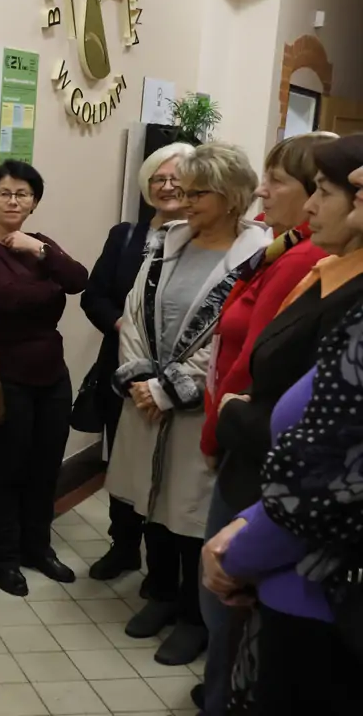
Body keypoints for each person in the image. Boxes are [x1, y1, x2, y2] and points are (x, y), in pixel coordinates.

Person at [202, 134, 363, 714]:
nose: (264, 193)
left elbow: (327, 473)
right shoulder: (317, 264)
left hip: (322, 583)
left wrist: (242, 549)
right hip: (278, 527)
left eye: (325, 190)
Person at [104, 143, 270, 665]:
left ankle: (193, 615)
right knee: (151, 502)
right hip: (145, 401)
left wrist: (167, 389)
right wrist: (139, 379)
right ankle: (158, 592)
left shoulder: (256, 256)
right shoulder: (166, 243)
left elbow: (233, 340)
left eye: (199, 193)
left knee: (190, 511)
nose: (184, 199)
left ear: (231, 197)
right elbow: (134, 313)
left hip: (199, 407)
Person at [0, 160, 89, 597]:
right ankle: (5, 559)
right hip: (1, 376)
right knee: (5, 470)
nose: (13, 201)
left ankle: (38, 549)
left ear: (34, 202)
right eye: (4, 193)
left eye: (23, 194)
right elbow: (5, 297)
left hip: (52, 375)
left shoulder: (39, 243)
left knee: (45, 468)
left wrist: (43, 253)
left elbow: (79, 279)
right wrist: (51, 288)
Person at [82, 142, 194, 583]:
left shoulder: (204, 242)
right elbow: (94, 296)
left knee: (170, 467)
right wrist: (123, 326)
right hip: (121, 369)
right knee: (124, 459)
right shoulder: (125, 236)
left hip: (178, 374)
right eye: (157, 179)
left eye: (175, 179)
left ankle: (163, 564)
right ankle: (124, 546)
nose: (166, 187)